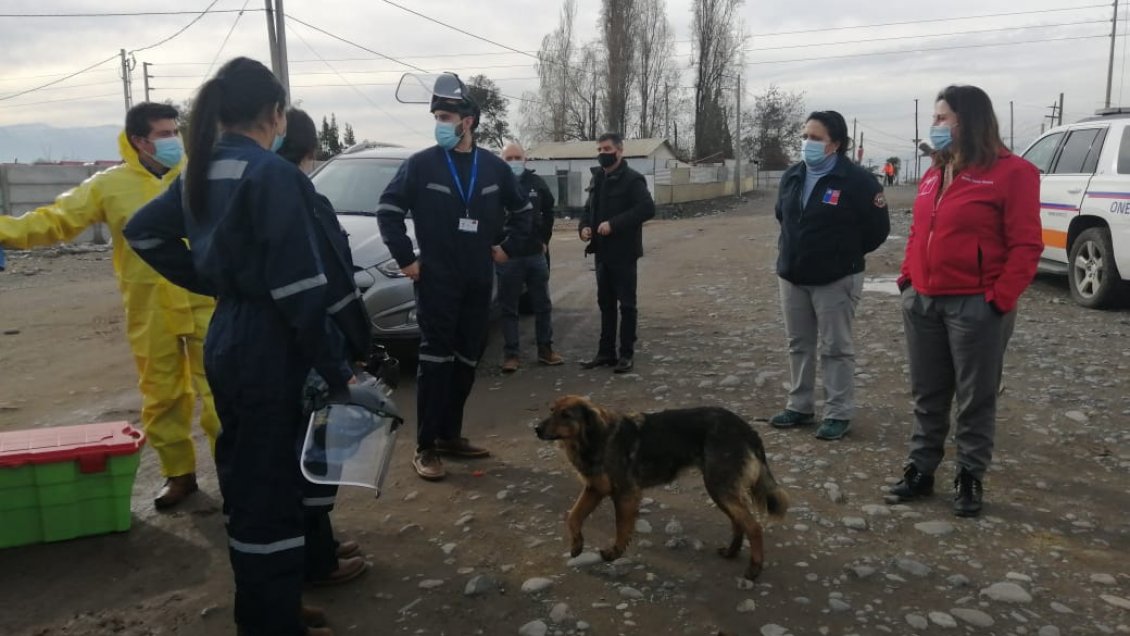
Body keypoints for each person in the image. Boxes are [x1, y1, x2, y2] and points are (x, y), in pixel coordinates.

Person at [124, 57, 365, 636]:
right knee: (271, 493)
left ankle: (274, 605)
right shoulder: (271, 174)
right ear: (275, 113)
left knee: (252, 478)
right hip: (271, 345)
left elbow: (145, 231)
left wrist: (218, 281)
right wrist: (340, 373)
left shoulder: (201, 170)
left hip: (231, 334)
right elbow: (303, 292)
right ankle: (270, 621)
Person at [0, 102, 217, 510]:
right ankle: (180, 476)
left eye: (176, 132)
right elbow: (56, 220)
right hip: (149, 307)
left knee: (224, 392)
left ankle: (238, 476)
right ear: (139, 141)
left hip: (205, 300)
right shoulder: (108, 185)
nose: (174, 140)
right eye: (164, 134)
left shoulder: (199, 175)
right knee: (161, 396)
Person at [888, 85, 1041, 518]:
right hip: (924, 301)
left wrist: (998, 299)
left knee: (976, 397)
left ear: (967, 120)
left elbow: (1026, 245)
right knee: (927, 393)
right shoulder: (936, 171)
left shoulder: (1014, 172)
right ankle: (921, 469)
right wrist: (908, 279)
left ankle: (970, 476)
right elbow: (920, 231)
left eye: (941, 118)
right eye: (935, 118)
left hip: (976, 305)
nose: (934, 126)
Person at [377, 73, 532, 482]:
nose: (440, 123)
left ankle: (450, 435)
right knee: (435, 361)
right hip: (437, 282)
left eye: (447, 116)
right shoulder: (421, 164)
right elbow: (388, 211)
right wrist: (406, 259)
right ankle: (426, 446)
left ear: (469, 121)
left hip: (478, 281)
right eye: (437, 116)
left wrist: (508, 248)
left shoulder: (495, 169)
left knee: (467, 358)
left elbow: (524, 212)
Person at [277, 108, 369, 588]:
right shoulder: (301, 199)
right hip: (311, 346)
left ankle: (321, 542)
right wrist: (353, 350)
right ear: (311, 153)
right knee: (315, 455)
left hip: (279, 344)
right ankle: (317, 561)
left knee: (307, 451)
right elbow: (333, 285)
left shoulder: (261, 192)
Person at [769, 110, 890, 441]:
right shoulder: (792, 176)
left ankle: (838, 412)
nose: (807, 143)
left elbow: (878, 230)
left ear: (835, 144)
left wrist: (843, 255)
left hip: (836, 278)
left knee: (836, 346)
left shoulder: (858, 182)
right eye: (805, 136)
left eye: (816, 138)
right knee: (799, 344)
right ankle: (800, 405)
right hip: (793, 275)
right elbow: (784, 217)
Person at [578, 132, 656, 374]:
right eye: (599, 150)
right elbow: (588, 209)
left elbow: (647, 208)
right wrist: (584, 227)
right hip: (601, 254)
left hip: (623, 253)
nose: (603, 154)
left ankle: (626, 354)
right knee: (606, 304)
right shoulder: (597, 179)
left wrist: (614, 224)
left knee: (627, 305)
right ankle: (606, 352)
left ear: (620, 151)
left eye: (607, 149)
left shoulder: (633, 180)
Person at [497, 141, 563, 373]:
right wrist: (497, 245)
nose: (514, 162)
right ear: (502, 161)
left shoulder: (537, 184)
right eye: (509, 158)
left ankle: (545, 350)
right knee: (509, 308)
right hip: (509, 257)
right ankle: (511, 355)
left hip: (535, 255)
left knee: (542, 305)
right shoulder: (496, 185)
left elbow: (549, 211)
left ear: (525, 159)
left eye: (517, 157)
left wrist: (544, 240)